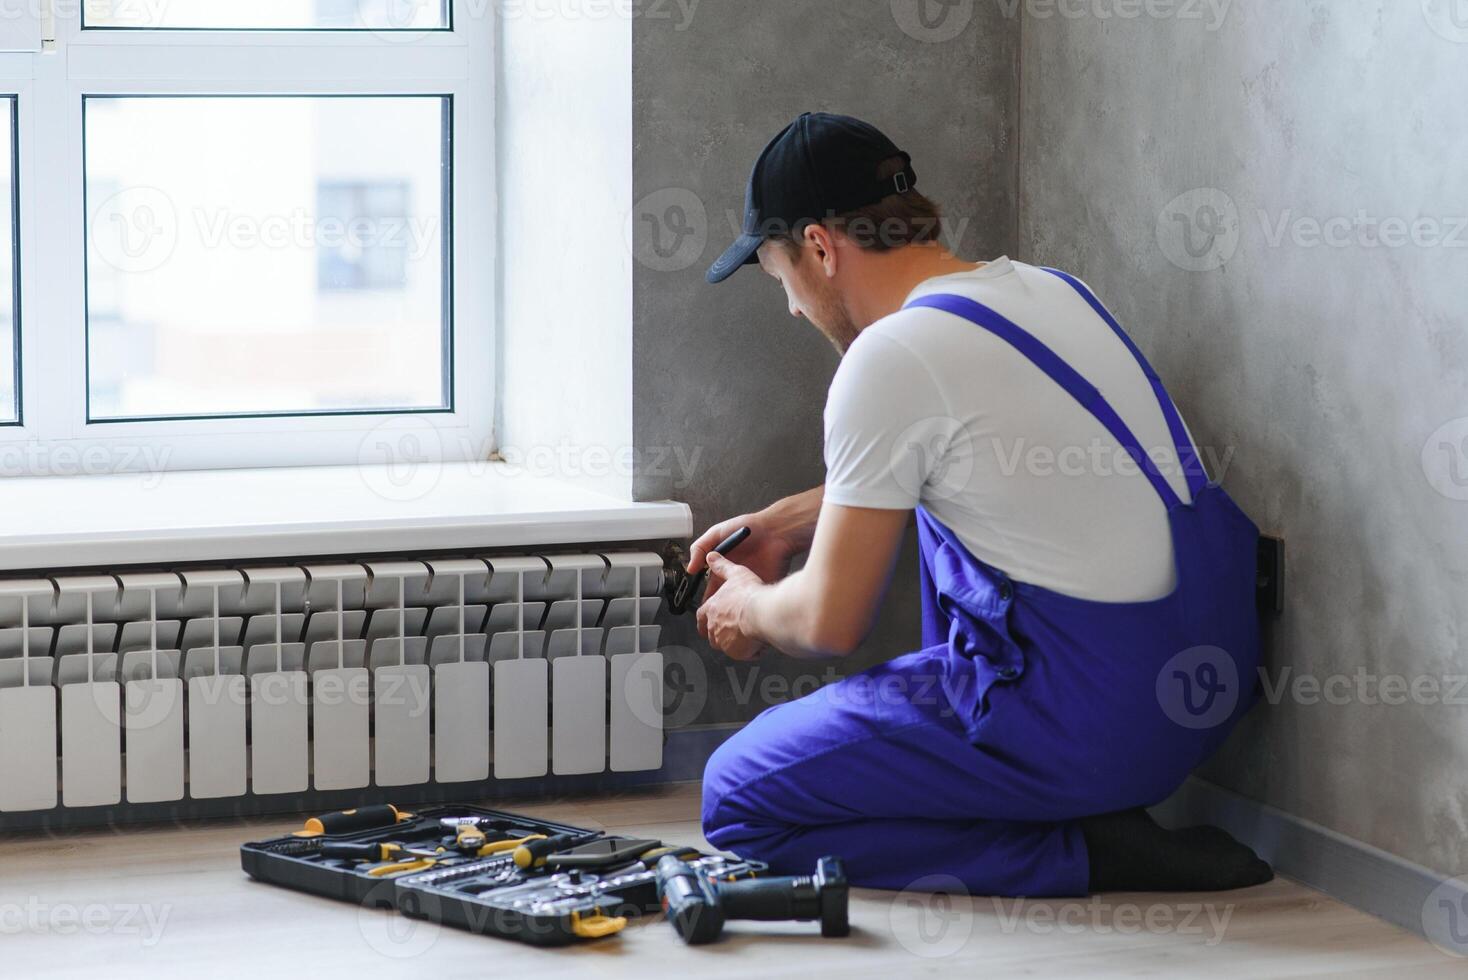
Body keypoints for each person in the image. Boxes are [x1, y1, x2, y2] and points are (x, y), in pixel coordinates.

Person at [691, 112, 1272, 896]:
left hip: (1089, 720)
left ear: (822, 248)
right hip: (1207, 685)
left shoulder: (887, 358)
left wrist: (749, 609)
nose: (793, 307)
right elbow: (976, 460)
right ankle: (1070, 808)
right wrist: (790, 523)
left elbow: (828, 622)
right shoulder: (1049, 290)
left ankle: (1082, 851)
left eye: (780, 275)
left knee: (736, 798)